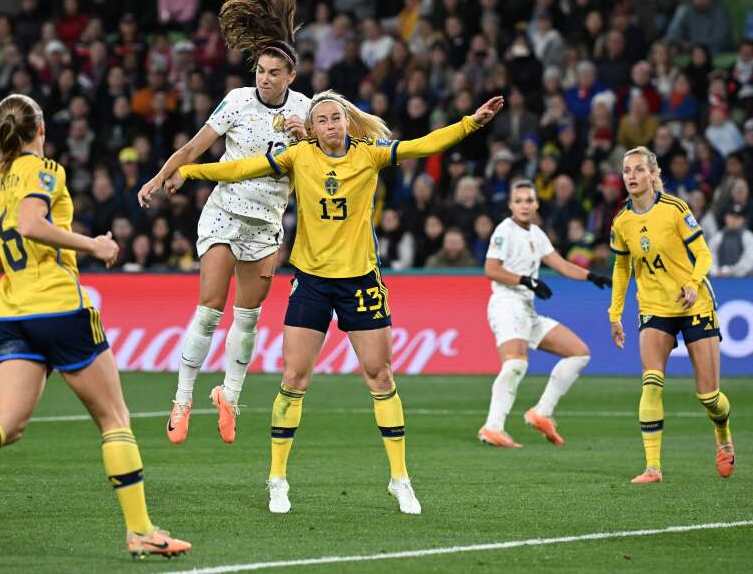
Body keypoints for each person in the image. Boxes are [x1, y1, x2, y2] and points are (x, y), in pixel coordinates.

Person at [169, 90, 505, 515]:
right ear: (312, 128)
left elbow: (426, 144)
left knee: (380, 376)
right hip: (311, 281)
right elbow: (239, 168)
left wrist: (471, 122)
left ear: (347, 122)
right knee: (294, 378)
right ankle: (277, 479)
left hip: (360, 280)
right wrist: (190, 170)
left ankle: (400, 479)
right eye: (322, 120)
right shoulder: (298, 157)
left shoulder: (370, 154)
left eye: (336, 118)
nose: (331, 125)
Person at [0, 94, 190, 559]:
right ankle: (140, 531)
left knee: (7, 423)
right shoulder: (46, 170)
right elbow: (32, 223)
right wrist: (91, 245)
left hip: (11, 312)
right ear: (40, 131)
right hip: (58, 306)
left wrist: (22, 261)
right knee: (114, 419)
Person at [137, 0, 310, 445]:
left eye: (275, 72)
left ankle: (229, 397)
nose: (265, 78)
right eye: (261, 69)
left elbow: (329, 158)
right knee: (210, 309)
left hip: (266, 225)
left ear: (291, 76)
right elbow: (196, 146)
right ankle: (182, 400)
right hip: (224, 214)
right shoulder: (235, 101)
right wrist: (159, 178)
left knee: (248, 317)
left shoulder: (307, 112)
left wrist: (308, 137)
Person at [609, 145, 734, 484]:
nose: (632, 176)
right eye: (627, 170)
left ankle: (722, 431)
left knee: (709, 397)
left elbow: (703, 254)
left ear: (652, 174)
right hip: (653, 307)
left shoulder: (675, 209)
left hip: (693, 304)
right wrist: (615, 312)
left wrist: (694, 283)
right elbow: (622, 267)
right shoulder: (621, 221)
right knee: (651, 382)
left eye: (638, 169)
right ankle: (653, 467)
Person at [479, 181, 612, 448]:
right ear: (511, 205)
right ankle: (493, 427)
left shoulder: (536, 234)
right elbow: (491, 269)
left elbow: (561, 264)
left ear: (537, 204)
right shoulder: (504, 231)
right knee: (516, 363)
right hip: (506, 304)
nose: (524, 205)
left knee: (579, 353)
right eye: (519, 201)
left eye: (529, 200)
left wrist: (590, 276)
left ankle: (542, 412)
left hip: (527, 309)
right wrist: (526, 280)